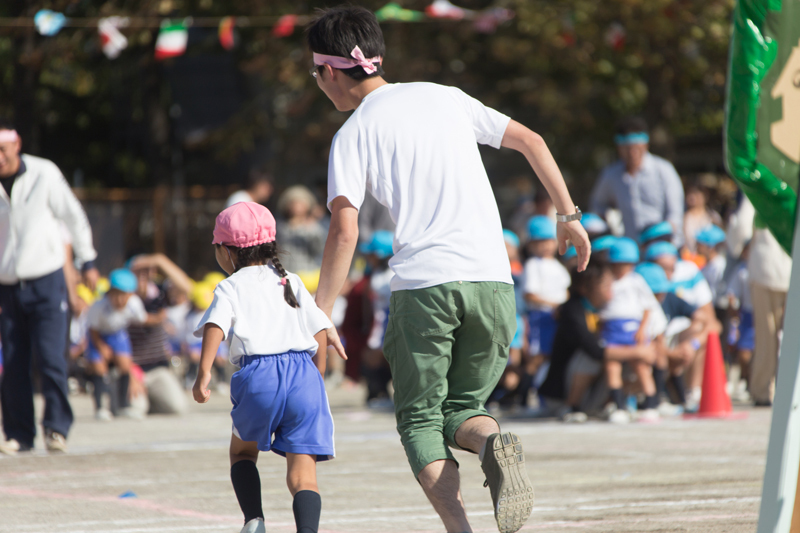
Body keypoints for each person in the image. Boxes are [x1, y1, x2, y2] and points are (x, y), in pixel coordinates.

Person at [307, 7, 591, 533]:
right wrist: (568, 216)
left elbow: (344, 232)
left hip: (426, 287)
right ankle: (492, 442)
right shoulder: (445, 95)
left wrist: (321, 313)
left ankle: (461, 529)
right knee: (464, 407)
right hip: (494, 282)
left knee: (418, 419)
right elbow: (533, 141)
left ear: (328, 72)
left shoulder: (352, 134)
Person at [191, 201, 345, 533]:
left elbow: (216, 325)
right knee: (303, 473)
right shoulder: (290, 280)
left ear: (227, 251)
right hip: (304, 375)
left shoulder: (230, 286)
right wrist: (317, 374)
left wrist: (203, 373)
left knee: (242, 453)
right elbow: (319, 330)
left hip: (259, 376)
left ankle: (255, 519)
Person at [0, 121, 99, 455]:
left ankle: (56, 428)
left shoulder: (43, 173)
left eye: (3, 149)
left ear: (17, 145)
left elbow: (73, 215)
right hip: (7, 285)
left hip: (46, 278)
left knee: (51, 357)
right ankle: (19, 434)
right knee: (13, 361)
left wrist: (87, 260)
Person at [539, 261, 657, 423]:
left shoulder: (605, 310)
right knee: (596, 357)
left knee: (631, 363)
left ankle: (620, 404)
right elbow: (595, 351)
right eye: (605, 285)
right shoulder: (572, 311)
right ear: (584, 288)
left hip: (592, 394)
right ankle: (572, 406)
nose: (612, 289)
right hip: (561, 394)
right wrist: (638, 351)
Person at [590, 117, 685, 244]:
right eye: (627, 148)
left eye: (636, 147)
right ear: (619, 147)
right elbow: (597, 205)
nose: (632, 153)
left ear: (646, 144)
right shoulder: (611, 175)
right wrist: (605, 226)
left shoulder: (664, 170)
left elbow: (675, 215)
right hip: (631, 248)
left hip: (664, 246)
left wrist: (659, 234)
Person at [600, 238, 663, 423]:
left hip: (632, 328)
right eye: (617, 264)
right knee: (612, 366)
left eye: (625, 264)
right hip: (611, 328)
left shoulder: (636, 280)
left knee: (641, 366)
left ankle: (652, 404)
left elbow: (648, 307)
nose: (621, 269)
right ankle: (619, 406)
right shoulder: (606, 279)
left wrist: (643, 329)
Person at [86, 269, 161, 420]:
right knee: (98, 367)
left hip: (118, 334)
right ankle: (100, 408)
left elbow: (143, 319)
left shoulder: (134, 304)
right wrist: (101, 347)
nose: (120, 301)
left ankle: (123, 405)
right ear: (109, 294)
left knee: (125, 365)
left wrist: (160, 318)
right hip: (99, 335)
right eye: (116, 296)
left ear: (131, 295)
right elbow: (92, 329)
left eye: (124, 296)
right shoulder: (99, 306)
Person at [127, 253, 194, 415]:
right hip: (131, 369)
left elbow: (188, 288)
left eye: (147, 270)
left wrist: (160, 260)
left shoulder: (158, 295)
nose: (144, 275)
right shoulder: (121, 297)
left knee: (178, 407)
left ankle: (152, 399)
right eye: (139, 271)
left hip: (158, 367)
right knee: (135, 411)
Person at [522, 216, 571, 392]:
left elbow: (566, 292)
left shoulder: (559, 266)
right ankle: (526, 394)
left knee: (552, 356)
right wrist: (554, 305)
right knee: (538, 356)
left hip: (557, 317)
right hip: (541, 317)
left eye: (549, 240)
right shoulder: (532, 265)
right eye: (539, 242)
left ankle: (543, 393)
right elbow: (530, 295)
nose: (546, 245)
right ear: (531, 245)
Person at [747, 226, 791, 406]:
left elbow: (741, 228)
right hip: (791, 269)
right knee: (793, 338)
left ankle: (763, 391)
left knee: (767, 336)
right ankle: (791, 390)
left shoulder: (758, 197)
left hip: (766, 270)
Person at [359, 230, 395, 407]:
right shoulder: (378, 271)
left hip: (389, 320)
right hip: (380, 320)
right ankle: (379, 394)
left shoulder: (390, 274)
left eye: (371, 253)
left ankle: (381, 394)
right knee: (373, 357)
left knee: (377, 357)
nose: (368, 257)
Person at [277, 185, 327, 273]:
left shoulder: (314, 227)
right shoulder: (279, 226)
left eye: (300, 202)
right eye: (293, 202)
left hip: (306, 274)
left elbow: (319, 249)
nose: (296, 206)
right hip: (283, 272)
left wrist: (312, 227)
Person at [727, 240, 754, 402]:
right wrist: (734, 312)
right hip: (747, 315)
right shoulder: (741, 270)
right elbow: (732, 293)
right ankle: (746, 380)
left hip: (761, 313)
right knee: (744, 353)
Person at [683, 180, 722, 254]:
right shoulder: (684, 218)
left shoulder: (713, 216)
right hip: (691, 257)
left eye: (696, 194)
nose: (692, 197)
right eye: (690, 193)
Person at [696, 225, 728, 310]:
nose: (697, 245)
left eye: (700, 243)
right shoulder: (707, 266)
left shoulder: (720, 266)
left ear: (710, 247)